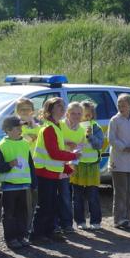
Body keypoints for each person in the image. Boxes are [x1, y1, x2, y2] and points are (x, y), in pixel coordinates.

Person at [30, 98, 80, 242]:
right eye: (59, 107)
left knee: (52, 204)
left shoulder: (56, 126)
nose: (62, 109)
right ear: (50, 110)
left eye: (63, 106)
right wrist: (73, 155)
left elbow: (55, 153)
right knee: (45, 204)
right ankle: (37, 234)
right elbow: (53, 153)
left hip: (52, 171)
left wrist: (66, 167)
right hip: (44, 172)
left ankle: (49, 231)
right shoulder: (49, 128)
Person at [0, 116, 38, 249]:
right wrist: (9, 164)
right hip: (9, 187)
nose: (20, 130)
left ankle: (21, 236)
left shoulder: (24, 143)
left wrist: (33, 182)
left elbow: (30, 164)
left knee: (23, 212)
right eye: (17, 127)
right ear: (8, 130)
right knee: (9, 214)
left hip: (24, 186)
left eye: (21, 127)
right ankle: (11, 238)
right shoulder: (2, 145)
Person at [108, 93, 130, 229]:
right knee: (120, 190)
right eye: (119, 105)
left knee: (129, 191)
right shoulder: (114, 120)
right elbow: (111, 139)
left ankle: (127, 218)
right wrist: (124, 148)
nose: (121, 108)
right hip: (118, 159)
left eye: (124, 105)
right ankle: (119, 218)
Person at [71, 101, 104, 230]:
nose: (86, 117)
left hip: (92, 166)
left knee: (93, 195)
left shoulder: (96, 128)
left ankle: (95, 221)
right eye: (83, 114)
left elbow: (99, 145)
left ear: (92, 115)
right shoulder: (74, 127)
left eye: (89, 115)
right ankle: (80, 221)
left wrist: (90, 136)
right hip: (78, 165)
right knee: (77, 196)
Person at [57, 102, 86, 233]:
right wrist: (66, 143)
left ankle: (67, 224)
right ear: (67, 114)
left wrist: (73, 166)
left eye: (79, 113)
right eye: (73, 113)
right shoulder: (60, 125)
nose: (76, 116)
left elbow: (79, 150)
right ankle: (54, 223)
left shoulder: (81, 131)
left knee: (65, 195)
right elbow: (53, 142)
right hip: (54, 165)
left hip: (67, 168)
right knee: (53, 196)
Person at [15, 97, 40, 228]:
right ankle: (24, 227)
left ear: (32, 111)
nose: (25, 112)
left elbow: (39, 136)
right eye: (22, 110)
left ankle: (31, 227)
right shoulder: (16, 127)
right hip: (22, 167)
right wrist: (30, 135)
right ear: (17, 111)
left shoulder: (37, 126)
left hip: (36, 165)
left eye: (28, 109)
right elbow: (22, 139)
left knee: (35, 199)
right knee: (24, 200)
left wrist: (33, 128)